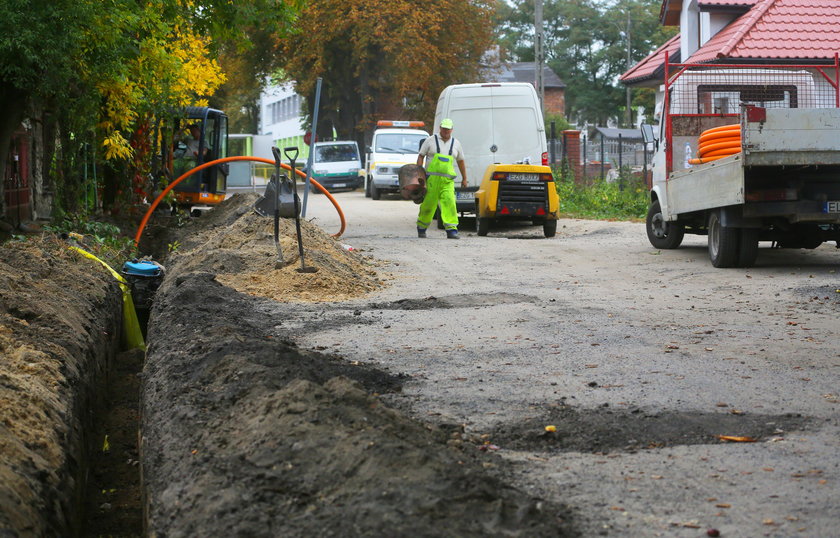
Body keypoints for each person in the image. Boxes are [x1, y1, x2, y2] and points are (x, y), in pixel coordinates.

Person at [415, 118, 467, 239]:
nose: (446, 131)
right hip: (431, 181)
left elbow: (461, 162)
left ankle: (452, 230)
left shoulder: (456, 144)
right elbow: (421, 156)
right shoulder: (430, 141)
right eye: (444, 129)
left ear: (452, 129)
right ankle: (421, 227)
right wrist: (418, 174)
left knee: (450, 203)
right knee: (428, 204)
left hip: (447, 182)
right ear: (440, 128)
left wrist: (464, 178)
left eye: (448, 129)